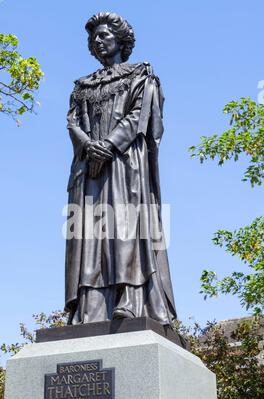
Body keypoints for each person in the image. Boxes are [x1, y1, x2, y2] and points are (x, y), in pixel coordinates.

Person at [64, 12, 177, 325]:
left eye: (105, 35)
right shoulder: (82, 86)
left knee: (124, 230)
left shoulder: (141, 77)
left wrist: (110, 145)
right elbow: (72, 122)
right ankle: (90, 309)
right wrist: (89, 147)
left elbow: (141, 117)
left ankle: (129, 300)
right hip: (89, 170)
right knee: (87, 236)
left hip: (125, 165)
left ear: (121, 40)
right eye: (94, 37)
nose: (98, 40)